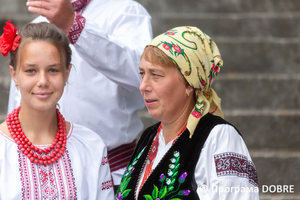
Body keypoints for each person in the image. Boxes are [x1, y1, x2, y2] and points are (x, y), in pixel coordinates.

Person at [8, 0, 153, 187]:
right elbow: (21, 98)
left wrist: (74, 25)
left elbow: (143, 74)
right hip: (41, 174)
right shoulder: (37, 25)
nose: (42, 81)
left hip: (113, 172)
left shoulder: (125, 11)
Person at [116, 26, 259, 199]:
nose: (142, 86)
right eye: (142, 73)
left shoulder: (219, 138)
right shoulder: (148, 136)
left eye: (155, 75)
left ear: (189, 83)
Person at [0, 21, 114, 199]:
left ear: (67, 73)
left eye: (53, 70)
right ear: (14, 74)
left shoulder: (90, 146)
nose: (43, 81)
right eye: (31, 71)